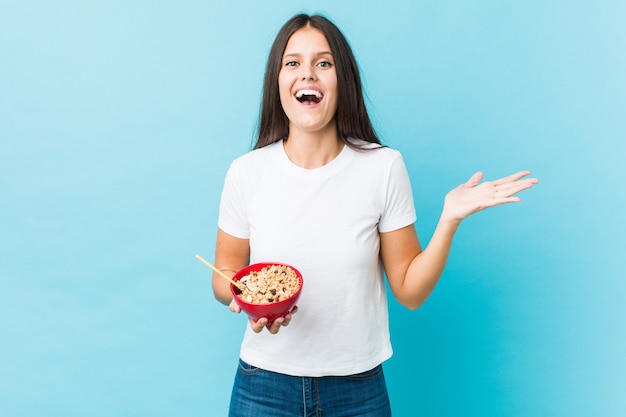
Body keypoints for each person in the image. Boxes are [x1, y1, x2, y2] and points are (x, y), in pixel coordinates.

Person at [211, 13, 538, 417]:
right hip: (264, 387)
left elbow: (410, 291)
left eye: (324, 63)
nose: (307, 74)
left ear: (342, 79)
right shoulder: (246, 172)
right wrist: (251, 301)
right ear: (276, 81)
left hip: (357, 390)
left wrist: (449, 219)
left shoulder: (382, 168)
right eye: (292, 63)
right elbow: (224, 274)